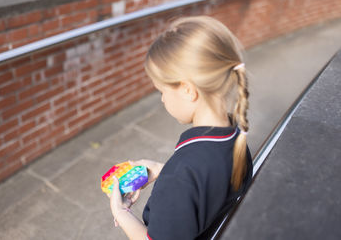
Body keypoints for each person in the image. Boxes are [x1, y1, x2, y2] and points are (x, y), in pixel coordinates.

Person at [108, 16, 253, 240]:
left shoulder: (181, 177)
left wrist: (121, 211)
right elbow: (209, 181)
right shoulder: (235, 136)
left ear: (187, 89)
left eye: (162, 91)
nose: (163, 100)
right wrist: (163, 169)